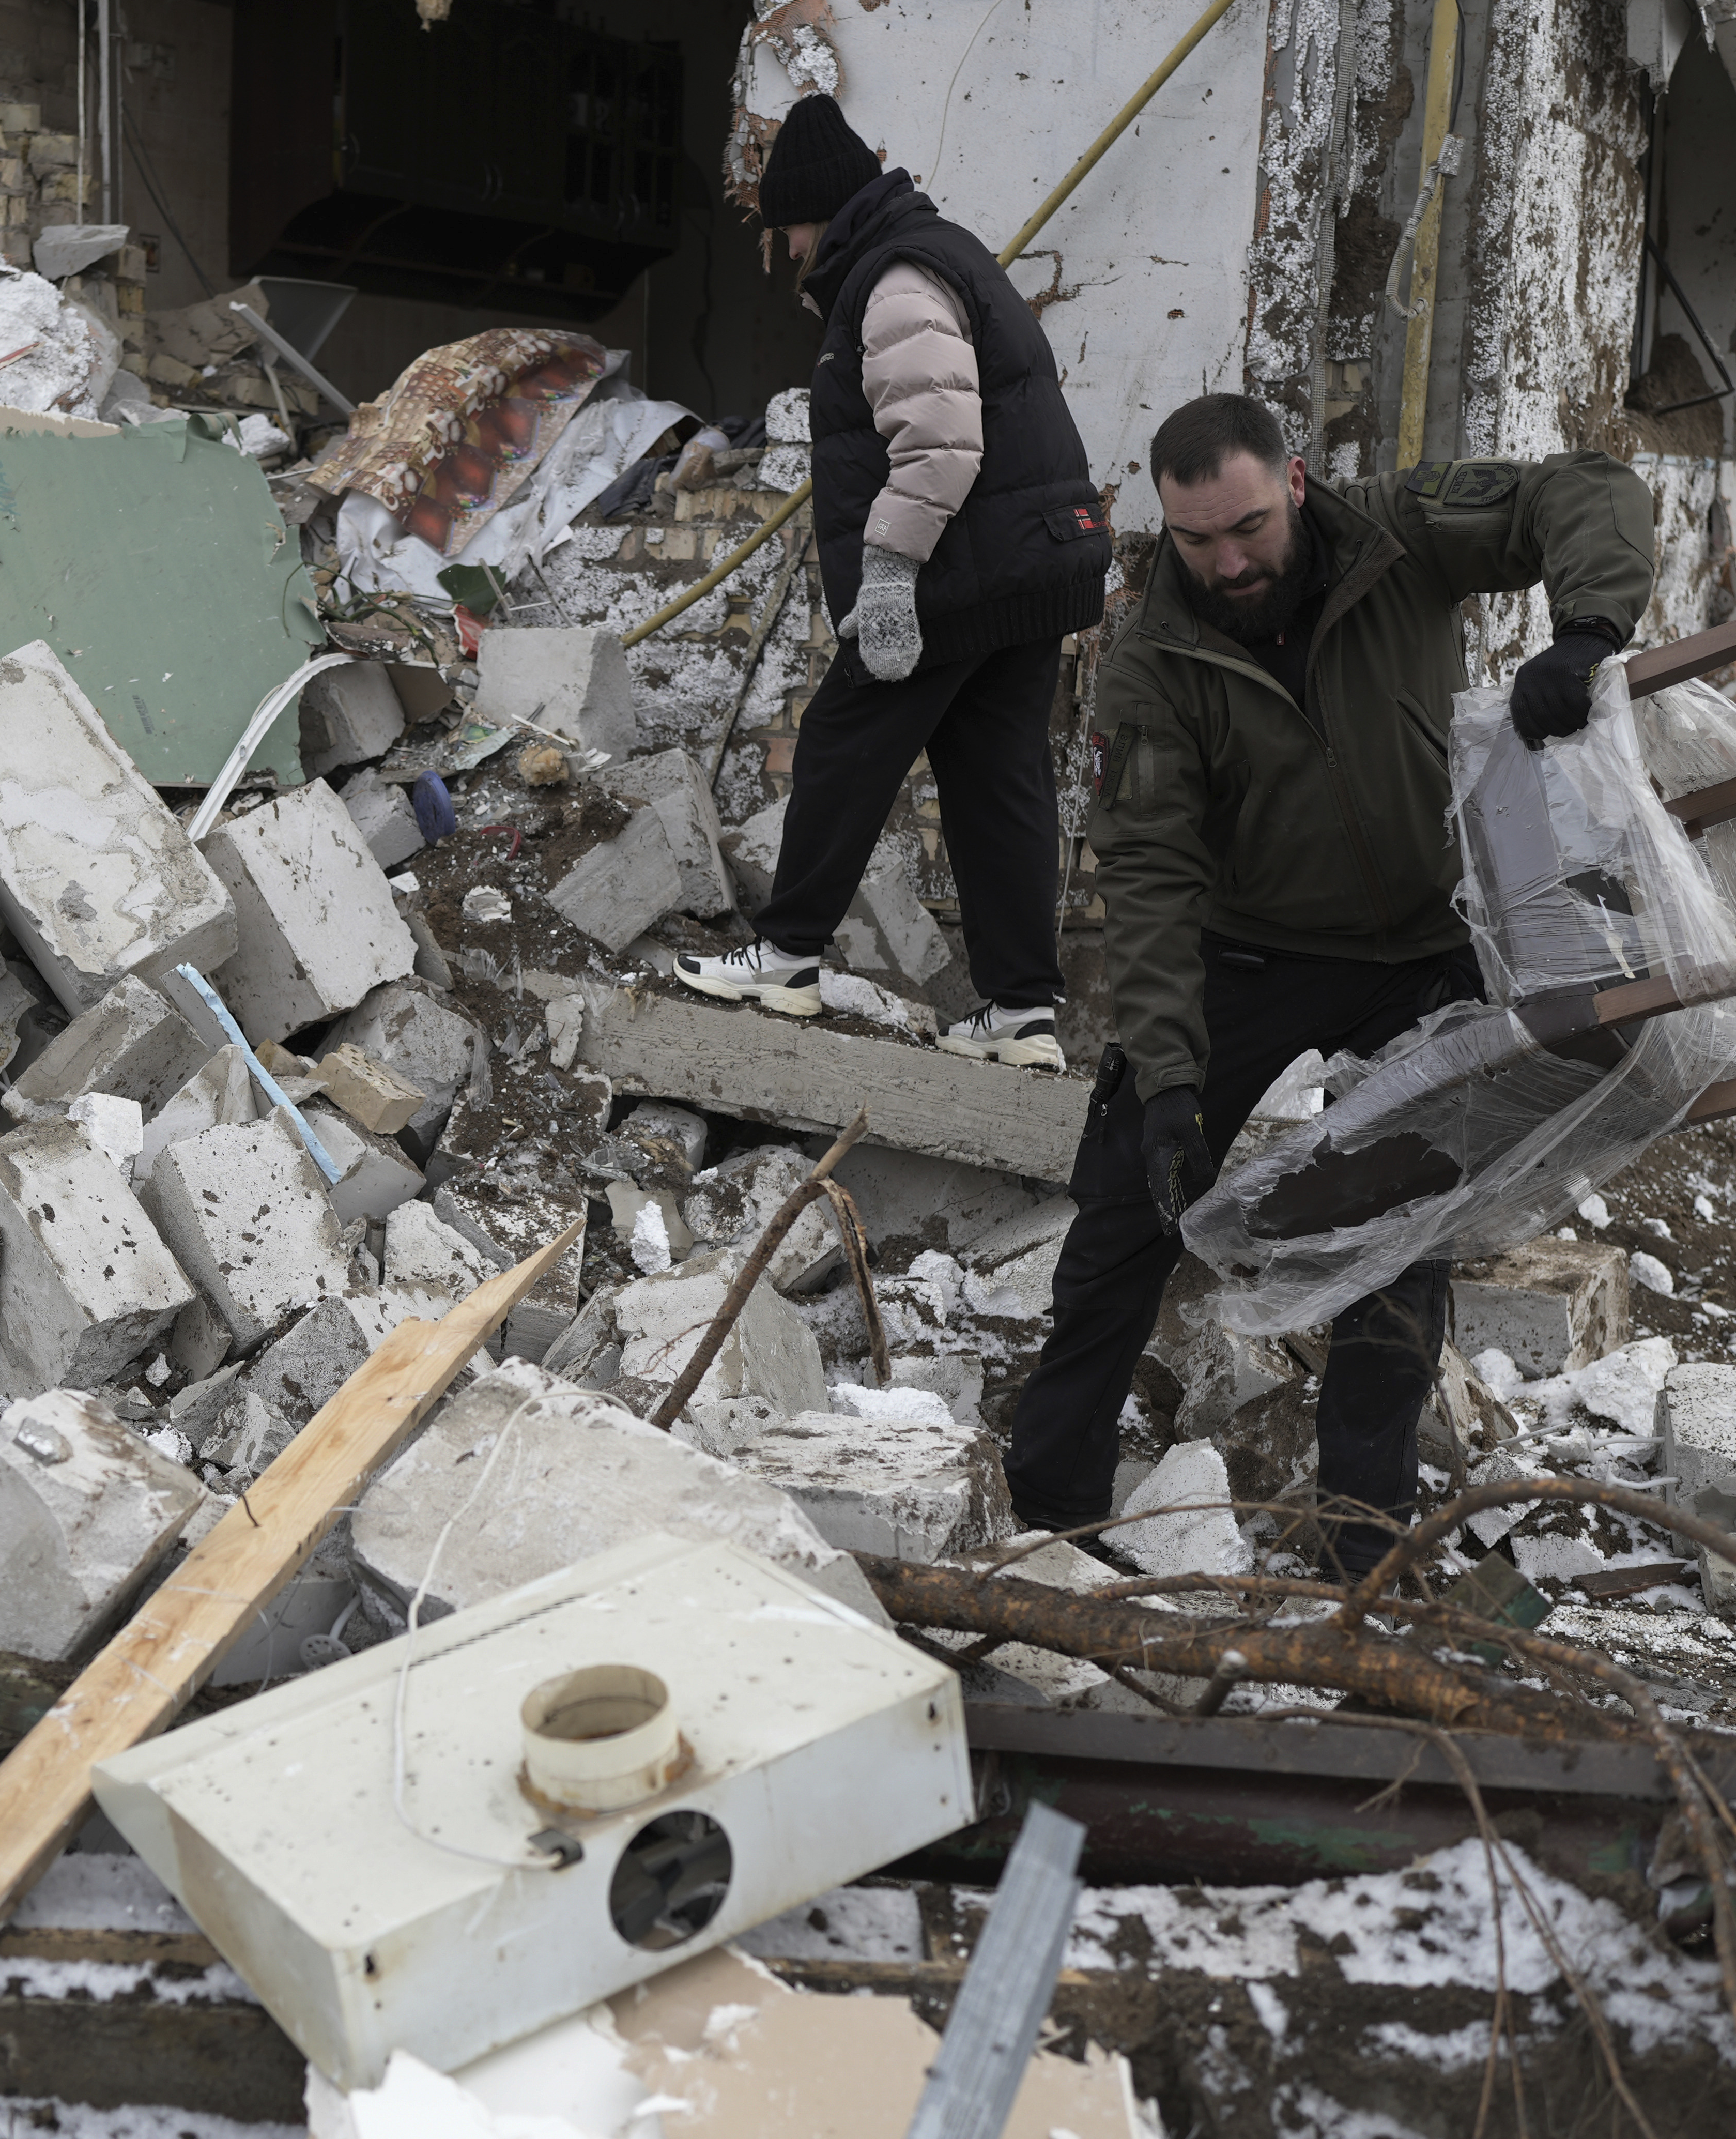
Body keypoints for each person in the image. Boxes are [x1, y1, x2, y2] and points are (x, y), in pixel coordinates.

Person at [1004, 392, 1655, 1576]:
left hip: (1422, 949)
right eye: (1197, 540)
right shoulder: (1152, 663)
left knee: (1401, 1237)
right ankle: (1051, 1520)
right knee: (1125, 1200)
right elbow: (1149, 882)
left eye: (1247, 526)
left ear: (1293, 483)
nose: (1228, 561)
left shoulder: (1402, 533)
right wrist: (1166, 1081)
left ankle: (1366, 1542)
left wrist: (1585, 629)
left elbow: (1589, 490)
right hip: (1251, 949)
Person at [671, 93, 1112, 1068]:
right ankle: (1022, 1015)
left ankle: (785, 958)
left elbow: (942, 446)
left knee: (840, 739)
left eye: (785, 227)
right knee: (996, 775)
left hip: (964, 568)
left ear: (818, 211)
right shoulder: (934, 252)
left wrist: (886, 574)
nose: (785, 251)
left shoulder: (898, 279)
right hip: (1033, 560)